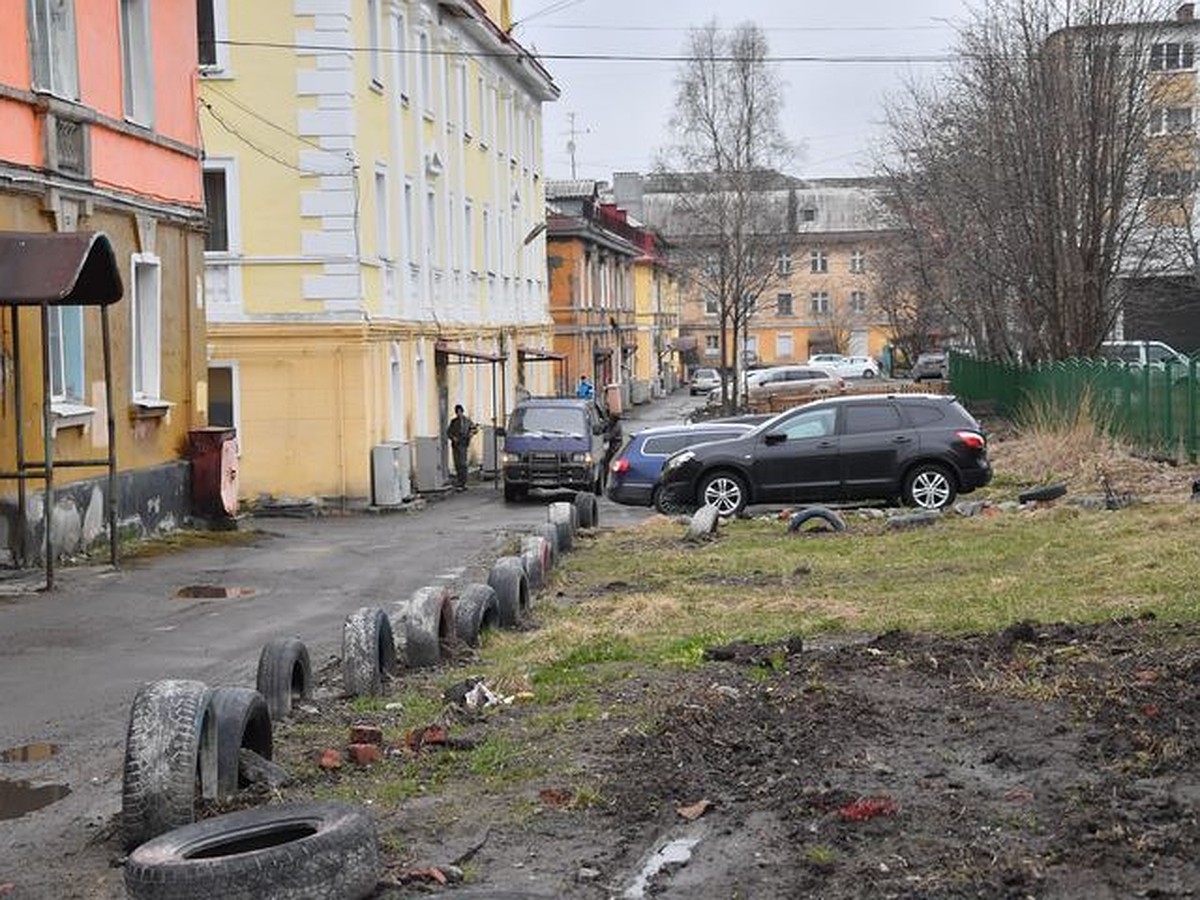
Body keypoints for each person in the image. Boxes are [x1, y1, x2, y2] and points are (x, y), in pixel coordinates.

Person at [446, 404, 477, 491]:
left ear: (462, 412)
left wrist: (471, 433)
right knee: (457, 464)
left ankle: (464, 482)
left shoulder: (467, 421)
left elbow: (474, 429)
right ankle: (459, 482)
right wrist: (453, 437)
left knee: (463, 463)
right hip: (456, 445)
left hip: (463, 444)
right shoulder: (453, 422)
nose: (459, 414)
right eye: (457, 412)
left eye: (460, 412)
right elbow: (448, 432)